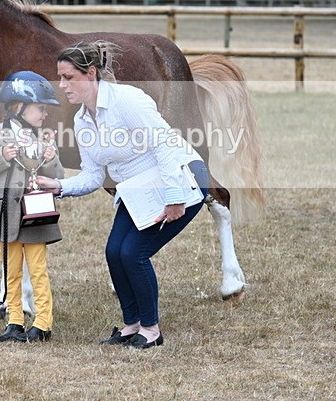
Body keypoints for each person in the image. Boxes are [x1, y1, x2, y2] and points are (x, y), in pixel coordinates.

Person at [35, 41, 209, 349]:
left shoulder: (128, 100)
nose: (61, 85)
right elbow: (93, 175)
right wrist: (59, 187)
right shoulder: (81, 121)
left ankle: (151, 331)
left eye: (68, 77)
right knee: (114, 251)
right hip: (138, 188)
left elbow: (164, 145)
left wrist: (174, 197)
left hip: (182, 176)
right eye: (60, 78)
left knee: (134, 254)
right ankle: (131, 326)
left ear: (90, 74)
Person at [0, 71, 65, 342]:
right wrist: (0, 155)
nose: (44, 114)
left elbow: (57, 175)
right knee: (11, 268)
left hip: (35, 213)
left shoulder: (43, 139)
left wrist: (51, 157)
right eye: (40, 108)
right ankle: (14, 320)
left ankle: (44, 322)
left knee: (37, 268)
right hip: (7, 214)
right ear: (19, 107)